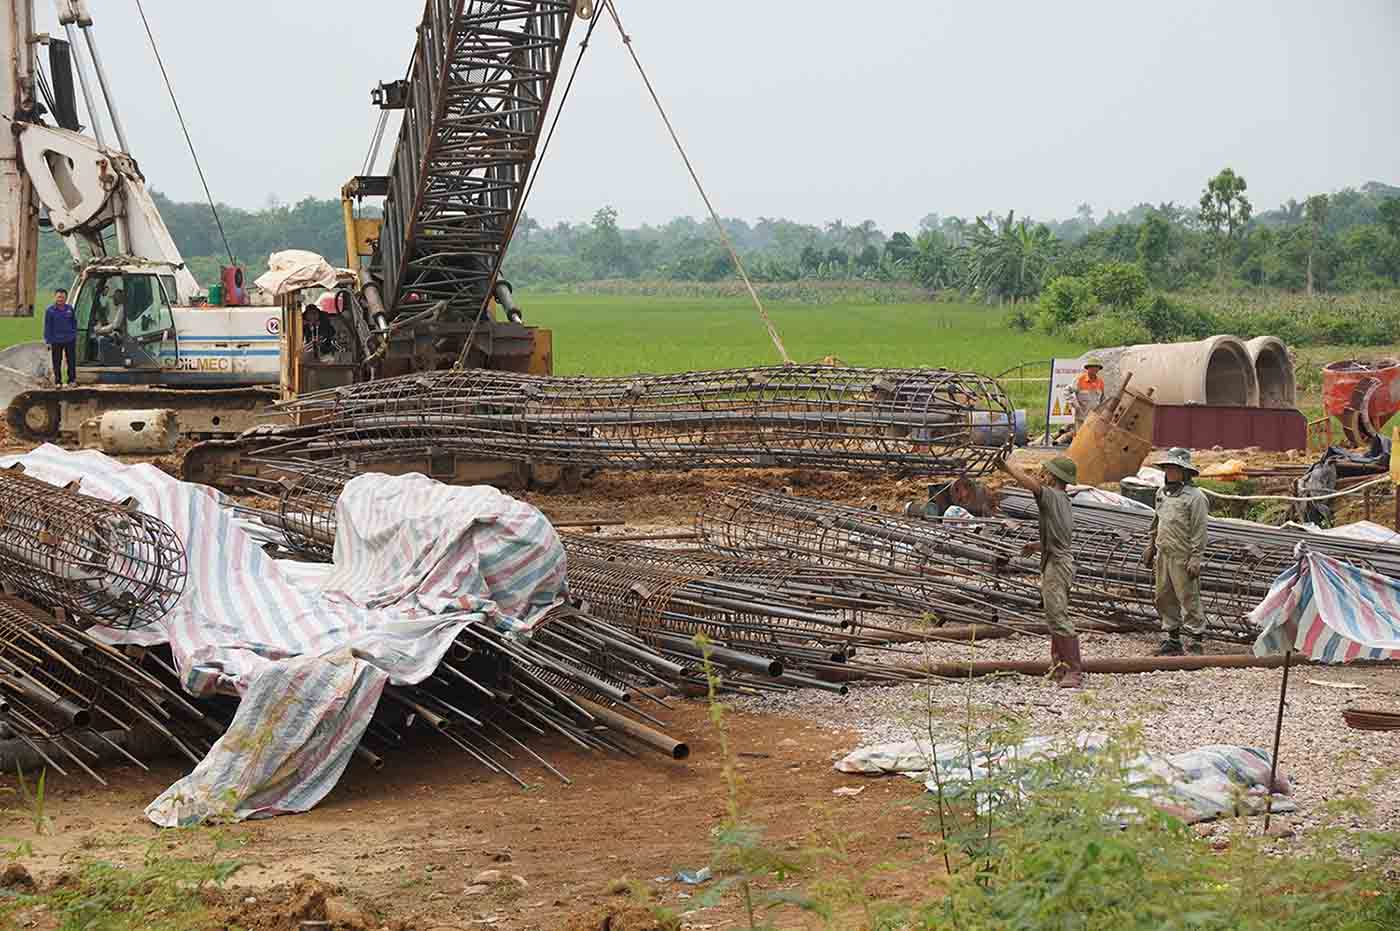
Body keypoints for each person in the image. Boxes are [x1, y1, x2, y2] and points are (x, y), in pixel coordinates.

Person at [996, 453, 1084, 688]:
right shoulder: (1062, 499)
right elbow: (1059, 535)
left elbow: (1033, 486)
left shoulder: (1053, 496)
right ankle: (1059, 666)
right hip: (1056, 560)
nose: (1042, 476)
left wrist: (1008, 468)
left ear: (1054, 476)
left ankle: (1074, 672)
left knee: (1057, 615)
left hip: (1058, 564)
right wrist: (1037, 545)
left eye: (1046, 472)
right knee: (1053, 616)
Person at [1143, 448, 1209, 656]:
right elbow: (1157, 521)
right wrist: (1150, 545)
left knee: (1188, 597)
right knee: (1163, 596)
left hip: (1183, 555)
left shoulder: (1195, 498)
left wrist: (1196, 557)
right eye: (1167, 468)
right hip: (1164, 553)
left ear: (1185, 472)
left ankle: (1196, 639)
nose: (1169, 472)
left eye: (1174, 469)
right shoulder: (1161, 494)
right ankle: (1173, 638)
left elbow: (1199, 529)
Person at [43, 288, 78, 386]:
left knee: (71, 361)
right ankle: (58, 381)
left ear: (66, 298)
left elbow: (74, 323)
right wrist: (48, 341)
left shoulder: (70, 309)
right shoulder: (50, 310)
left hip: (69, 339)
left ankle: (71, 380)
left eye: (62, 297)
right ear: (55, 297)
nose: (60, 299)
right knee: (57, 362)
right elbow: (47, 326)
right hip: (56, 340)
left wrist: (74, 334)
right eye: (59, 297)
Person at [1065, 358, 1107, 432]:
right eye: (1093, 367)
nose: (1095, 369)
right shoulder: (1080, 380)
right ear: (1088, 368)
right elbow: (1066, 392)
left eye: (1097, 367)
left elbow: (1103, 400)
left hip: (1094, 419)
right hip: (1081, 419)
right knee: (1080, 440)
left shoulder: (1100, 382)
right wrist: (1075, 404)